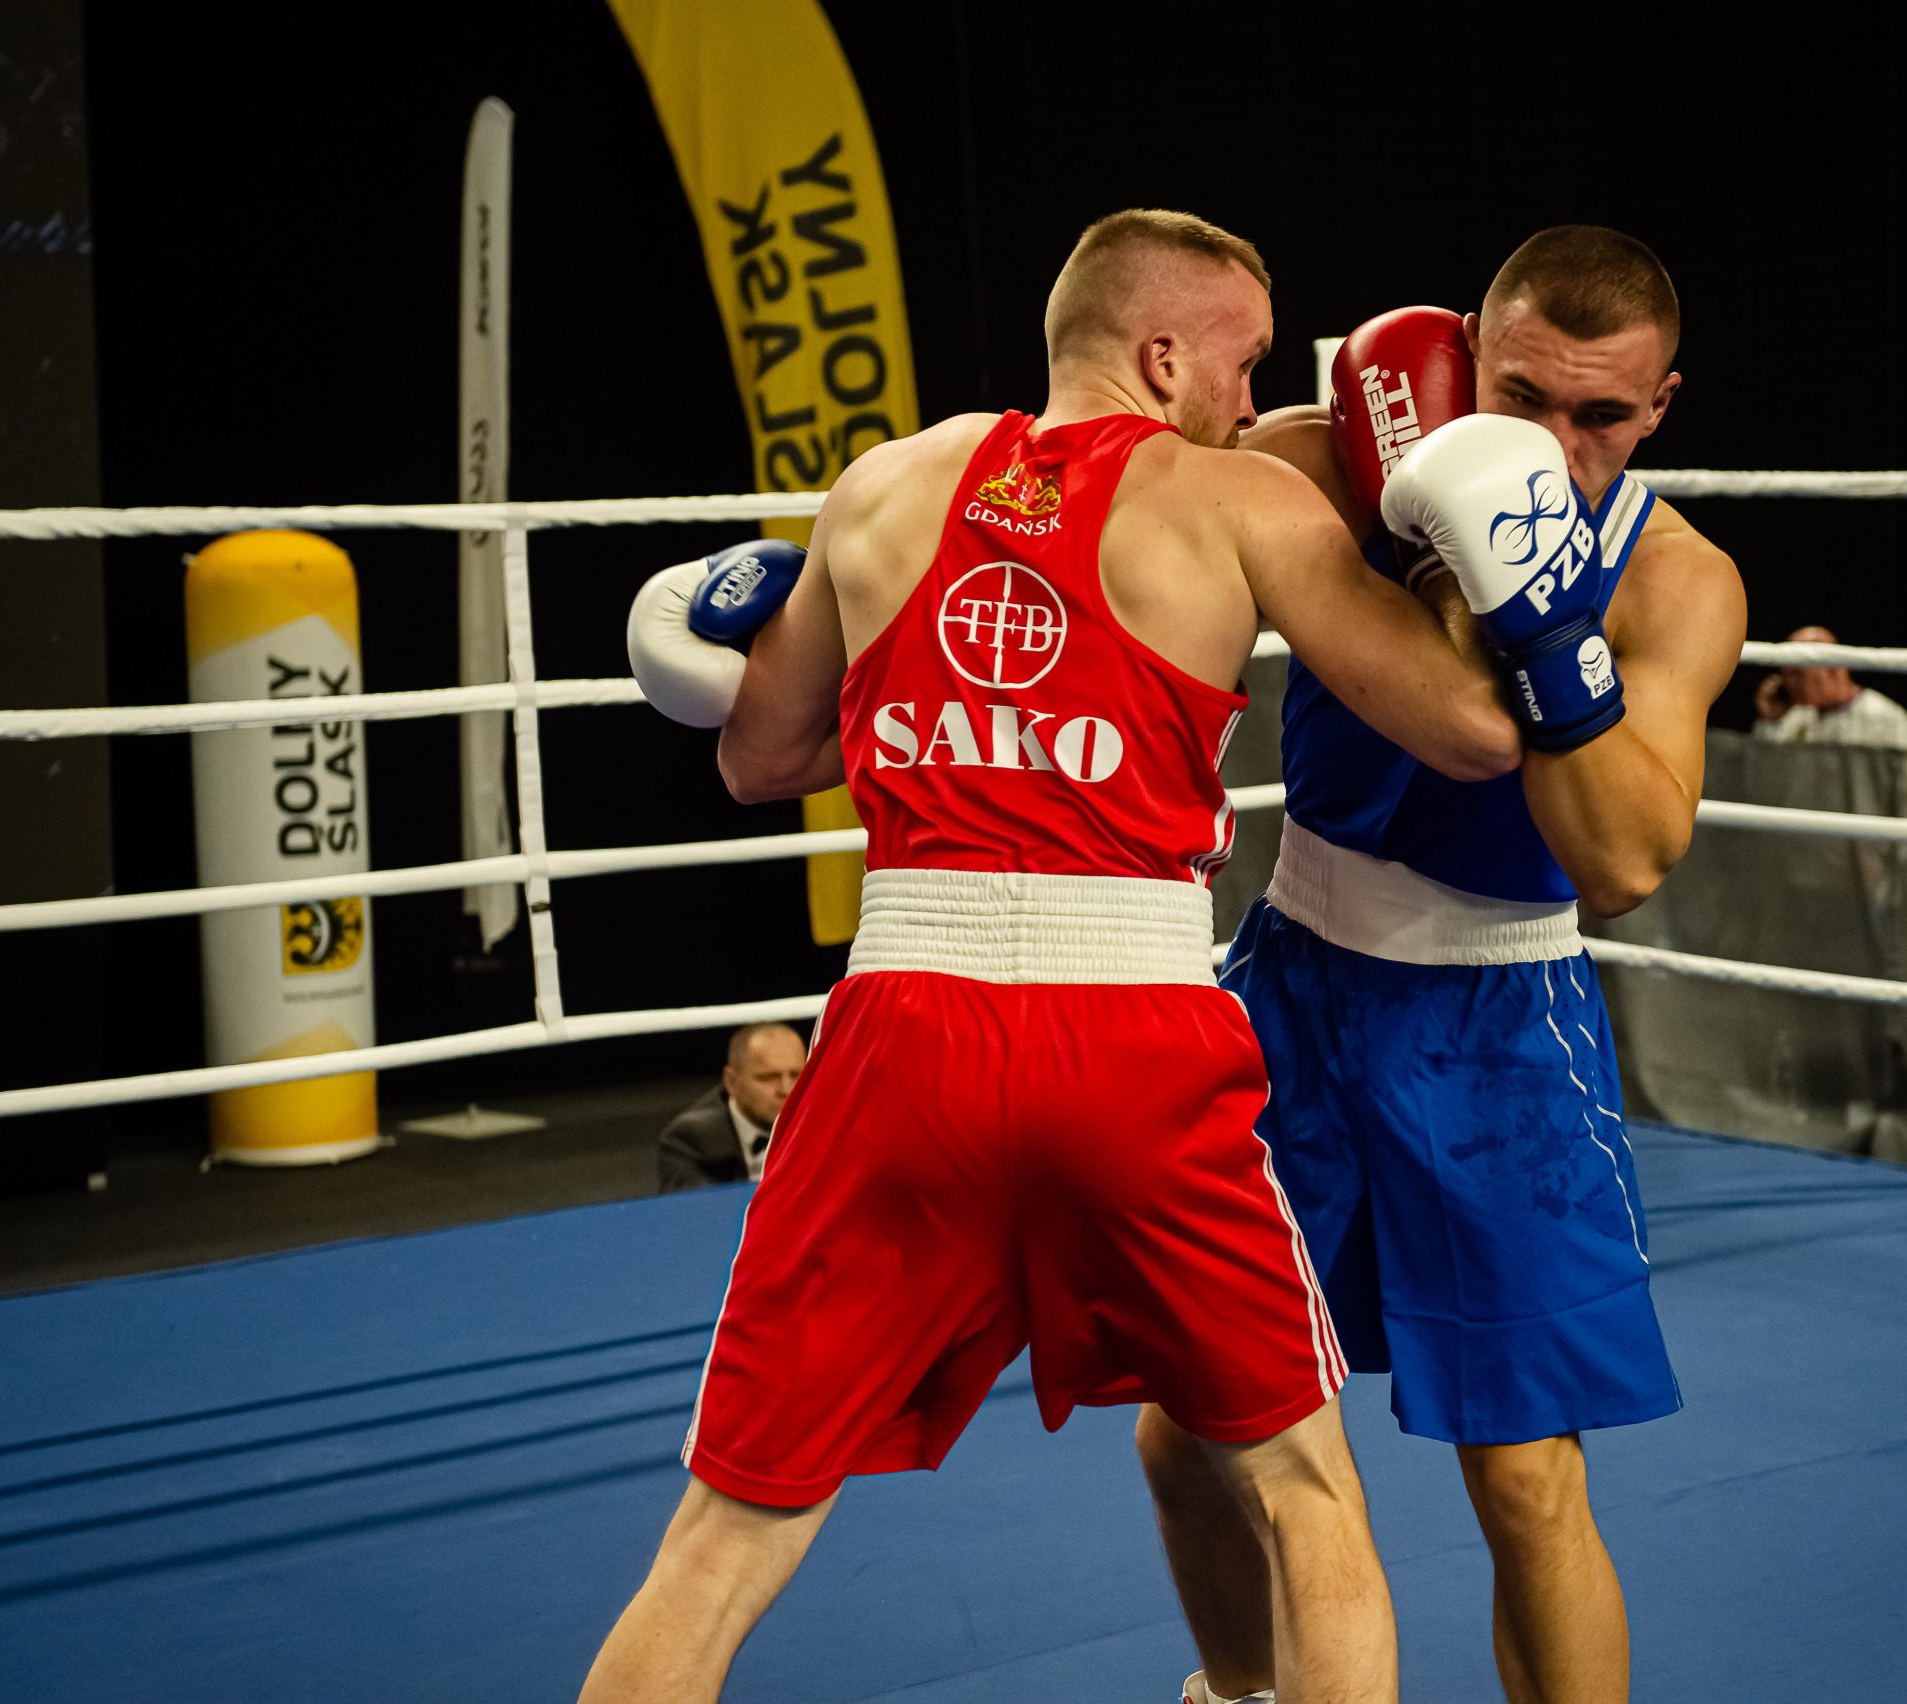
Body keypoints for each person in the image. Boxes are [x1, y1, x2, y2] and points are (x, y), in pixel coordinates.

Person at [600, 207, 1567, 1704]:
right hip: (1130, 1041)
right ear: (1162, 354)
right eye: (1242, 363)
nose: (1253, 401)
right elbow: (1476, 733)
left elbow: (760, 759)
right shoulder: (1237, 503)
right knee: (1304, 1492)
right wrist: (1500, 589)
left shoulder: (879, 487)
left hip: (900, 1038)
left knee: (723, 1536)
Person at [1144, 227, 1746, 1704]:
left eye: (1600, 416)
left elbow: (1624, 863)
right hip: (1293, 983)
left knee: (1526, 1479)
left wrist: (1542, 621)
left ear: (1659, 406)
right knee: (1194, 1424)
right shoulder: (1326, 461)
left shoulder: (1674, 584)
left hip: (1500, 1028)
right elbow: (1116, 499)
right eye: (1519, 398)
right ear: (1465, 351)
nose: (1554, 445)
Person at [653, 1022, 805, 1191]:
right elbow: (697, 1206)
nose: (786, 1090)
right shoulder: (689, 1140)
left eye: (796, 1075)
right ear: (731, 1082)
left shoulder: (822, 1123)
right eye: (768, 1078)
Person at [1752, 625, 1907, 751]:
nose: (1788, 683)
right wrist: (1770, 721)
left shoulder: (1886, 719)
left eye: (1797, 674)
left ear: (1834, 670)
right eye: (1786, 674)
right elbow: (1771, 774)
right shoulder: (1797, 717)